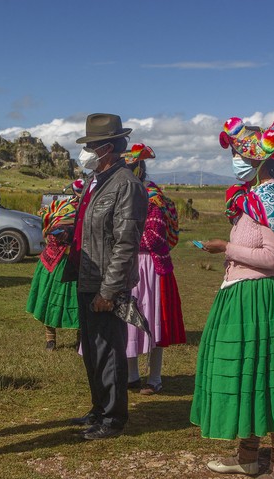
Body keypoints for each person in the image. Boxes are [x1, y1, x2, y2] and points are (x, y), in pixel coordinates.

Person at [191, 117, 274, 479]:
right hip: (245, 297)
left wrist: (225, 246)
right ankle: (247, 457)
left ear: (255, 158)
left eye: (238, 154)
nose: (234, 161)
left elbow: (272, 258)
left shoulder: (270, 198)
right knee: (248, 376)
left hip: (263, 299)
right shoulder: (257, 197)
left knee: (270, 377)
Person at [63, 113, 148, 440]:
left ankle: (112, 418)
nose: (86, 152)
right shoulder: (97, 182)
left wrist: (109, 291)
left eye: (92, 146)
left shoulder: (126, 185)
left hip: (106, 283)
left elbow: (126, 242)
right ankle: (98, 409)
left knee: (109, 352)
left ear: (108, 148)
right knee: (93, 350)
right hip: (87, 277)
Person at [122, 144, 186, 395]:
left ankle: (155, 378)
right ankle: (132, 375)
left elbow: (155, 237)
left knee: (153, 322)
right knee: (129, 320)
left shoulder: (153, 199)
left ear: (136, 169)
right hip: (130, 265)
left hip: (151, 268)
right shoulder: (129, 193)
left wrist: (122, 239)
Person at [26, 179, 84, 350]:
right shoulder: (69, 208)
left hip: (70, 261)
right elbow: (49, 222)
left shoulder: (78, 208)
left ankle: (75, 339)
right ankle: (53, 339)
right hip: (61, 260)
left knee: (74, 301)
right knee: (53, 299)